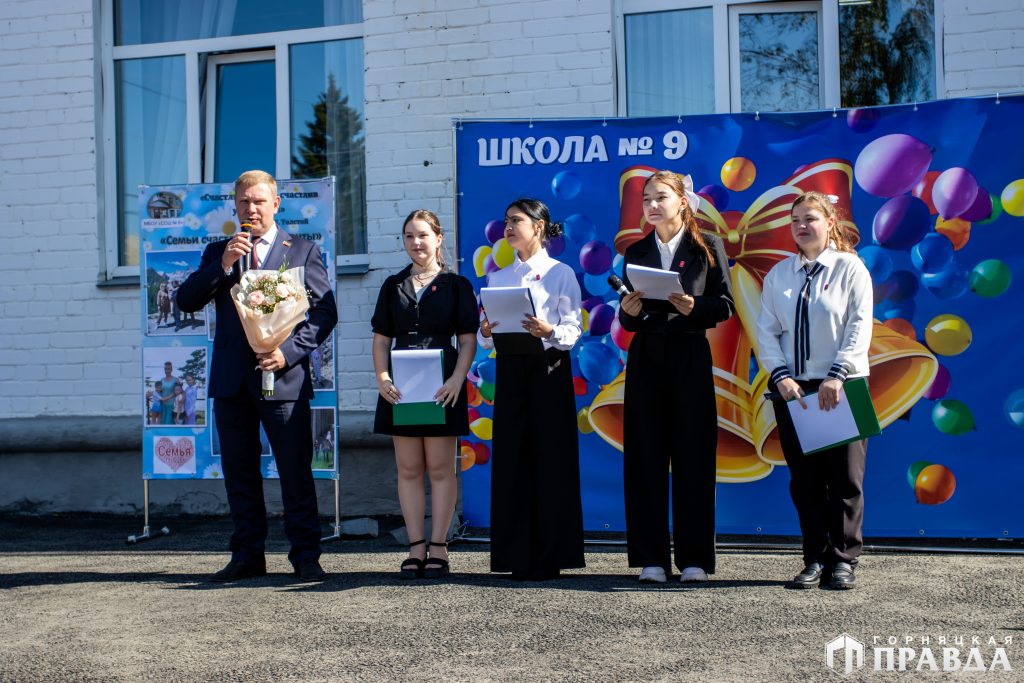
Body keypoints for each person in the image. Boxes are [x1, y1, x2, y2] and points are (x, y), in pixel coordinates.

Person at [177, 170, 337, 583]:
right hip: (233, 380)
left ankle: (305, 556)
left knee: (294, 469)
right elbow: (187, 300)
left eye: (260, 201)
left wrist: (286, 353)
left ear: (276, 204)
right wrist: (224, 265)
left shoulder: (301, 250)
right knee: (239, 471)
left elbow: (324, 313)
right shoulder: (219, 251)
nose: (252, 208)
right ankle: (248, 554)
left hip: (284, 379)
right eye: (245, 201)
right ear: (235, 205)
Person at [617, 171, 735, 584]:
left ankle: (694, 559)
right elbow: (625, 317)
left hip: (689, 354)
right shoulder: (636, 250)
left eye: (660, 197)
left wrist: (693, 307)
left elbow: (724, 306)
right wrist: (628, 312)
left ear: (682, 201)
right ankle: (651, 558)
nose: (651, 205)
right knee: (645, 457)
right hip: (647, 358)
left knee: (693, 458)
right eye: (646, 198)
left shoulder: (708, 248)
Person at [755, 191, 873, 590]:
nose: (802, 227)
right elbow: (765, 331)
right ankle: (814, 558)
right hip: (794, 392)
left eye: (811, 219)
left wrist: (837, 375)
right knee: (805, 482)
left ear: (829, 224)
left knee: (845, 480)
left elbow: (859, 325)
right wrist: (781, 376)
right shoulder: (779, 275)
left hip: (841, 386)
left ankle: (842, 560)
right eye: (796, 221)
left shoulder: (850, 269)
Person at [479, 198, 584, 581]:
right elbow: (485, 338)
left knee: (550, 459)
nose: (508, 228)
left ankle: (550, 555)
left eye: (516, 221)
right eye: (505, 221)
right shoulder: (497, 277)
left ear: (538, 227)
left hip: (548, 371)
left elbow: (573, 329)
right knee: (512, 460)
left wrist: (549, 330)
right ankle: (516, 555)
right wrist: (486, 332)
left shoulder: (560, 273)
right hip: (509, 371)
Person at [372, 209, 478, 579]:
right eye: (408, 237)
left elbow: (467, 341)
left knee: (439, 468)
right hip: (401, 386)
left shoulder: (457, 285)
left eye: (422, 235)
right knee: (408, 468)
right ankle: (415, 547)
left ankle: (439, 547)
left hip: (440, 385)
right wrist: (382, 377)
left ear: (438, 238)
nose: (416, 243)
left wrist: (456, 381)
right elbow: (381, 340)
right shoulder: (392, 286)